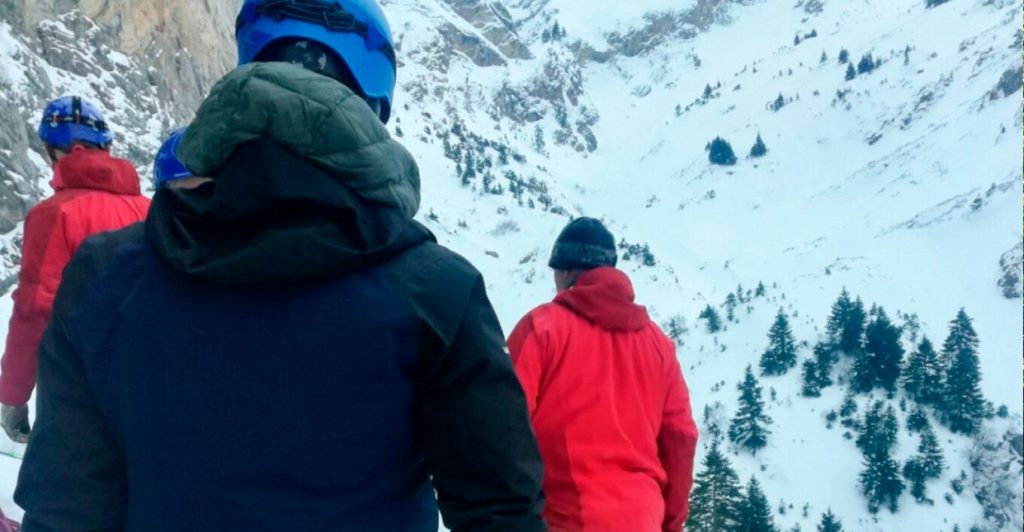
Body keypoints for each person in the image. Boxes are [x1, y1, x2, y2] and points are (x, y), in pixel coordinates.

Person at [15, 1, 545, 531]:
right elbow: (502, 514)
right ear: (375, 103)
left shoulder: (104, 277)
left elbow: (65, 510)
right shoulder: (437, 293)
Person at [508, 217, 699, 532]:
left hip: (564, 520)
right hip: (643, 520)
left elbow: (504, 426)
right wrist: (670, 523)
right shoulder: (659, 345)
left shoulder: (541, 329)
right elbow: (681, 439)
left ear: (565, 272)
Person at [0, 96, 150, 443]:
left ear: (53, 151)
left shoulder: (53, 214)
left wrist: (13, 396)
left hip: (79, 393)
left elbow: (35, 311)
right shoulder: (150, 210)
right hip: (150, 382)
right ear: (106, 147)